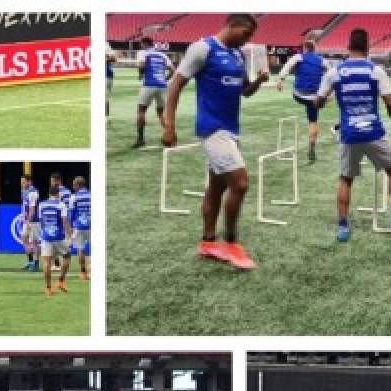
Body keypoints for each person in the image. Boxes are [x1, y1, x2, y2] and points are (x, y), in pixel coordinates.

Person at [163, 14, 269, 271]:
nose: (248, 40)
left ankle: (207, 242)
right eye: (246, 34)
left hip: (232, 131)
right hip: (212, 130)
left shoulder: (237, 55)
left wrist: (258, 81)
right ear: (232, 26)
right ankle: (231, 243)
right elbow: (176, 85)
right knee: (240, 184)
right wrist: (169, 126)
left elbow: (243, 91)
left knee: (216, 188)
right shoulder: (203, 48)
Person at [316, 27, 391, 244]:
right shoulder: (376, 71)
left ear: (348, 46)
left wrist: (322, 98)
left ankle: (342, 227)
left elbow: (318, 103)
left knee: (345, 179)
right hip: (374, 132)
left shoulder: (334, 72)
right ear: (368, 47)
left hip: (349, 134)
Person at [276, 38, 327, 163]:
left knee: (300, 94)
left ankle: (314, 97)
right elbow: (330, 74)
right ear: (315, 49)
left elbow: (287, 66)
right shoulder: (322, 60)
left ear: (304, 48)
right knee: (313, 121)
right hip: (314, 97)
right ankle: (312, 145)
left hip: (299, 95)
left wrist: (280, 80)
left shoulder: (298, 57)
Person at [134, 38, 172, 148]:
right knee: (161, 113)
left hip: (149, 84)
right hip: (162, 85)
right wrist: (165, 79)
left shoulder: (143, 53)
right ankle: (169, 136)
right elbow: (173, 70)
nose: (141, 46)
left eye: (141, 44)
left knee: (141, 111)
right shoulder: (162, 55)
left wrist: (140, 73)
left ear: (144, 44)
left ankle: (140, 140)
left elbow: (141, 65)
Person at [37, 182, 73, 296]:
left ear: (49, 193)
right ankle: (61, 281)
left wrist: (43, 234)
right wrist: (70, 234)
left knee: (46, 262)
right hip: (58, 237)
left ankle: (48, 288)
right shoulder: (61, 205)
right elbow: (64, 222)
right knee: (67, 256)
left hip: (46, 237)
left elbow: (41, 221)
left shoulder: (41, 204)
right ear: (58, 194)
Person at [70, 176, 91, 279]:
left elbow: (72, 213)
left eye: (74, 184)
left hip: (79, 226)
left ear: (78, 185)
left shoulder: (74, 197)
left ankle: (83, 273)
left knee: (80, 249)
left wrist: (70, 227)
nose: (73, 186)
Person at [20, 174, 41, 272]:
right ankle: (30, 261)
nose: (22, 183)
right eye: (22, 182)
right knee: (24, 238)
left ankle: (36, 264)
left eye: (24, 182)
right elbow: (25, 206)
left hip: (34, 221)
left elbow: (32, 209)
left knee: (35, 242)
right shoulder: (24, 191)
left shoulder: (33, 193)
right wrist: (24, 216)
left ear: (29, 182)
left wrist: (28, 221)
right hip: (27, 220)